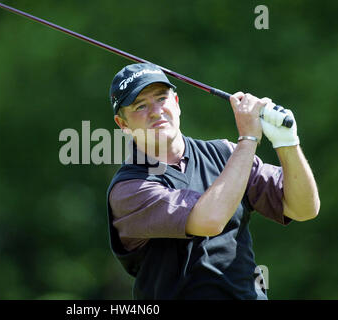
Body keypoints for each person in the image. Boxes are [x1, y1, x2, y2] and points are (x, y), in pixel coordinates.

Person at [106, 63, 320, 299]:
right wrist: (248, 138)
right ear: (123, 124)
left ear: (176, 103)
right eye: (141, 106)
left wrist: (287, 142)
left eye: (161, 98)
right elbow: (210, 220)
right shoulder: (128, 189)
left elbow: (303, 208)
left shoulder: (226, 154)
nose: (156, 111)